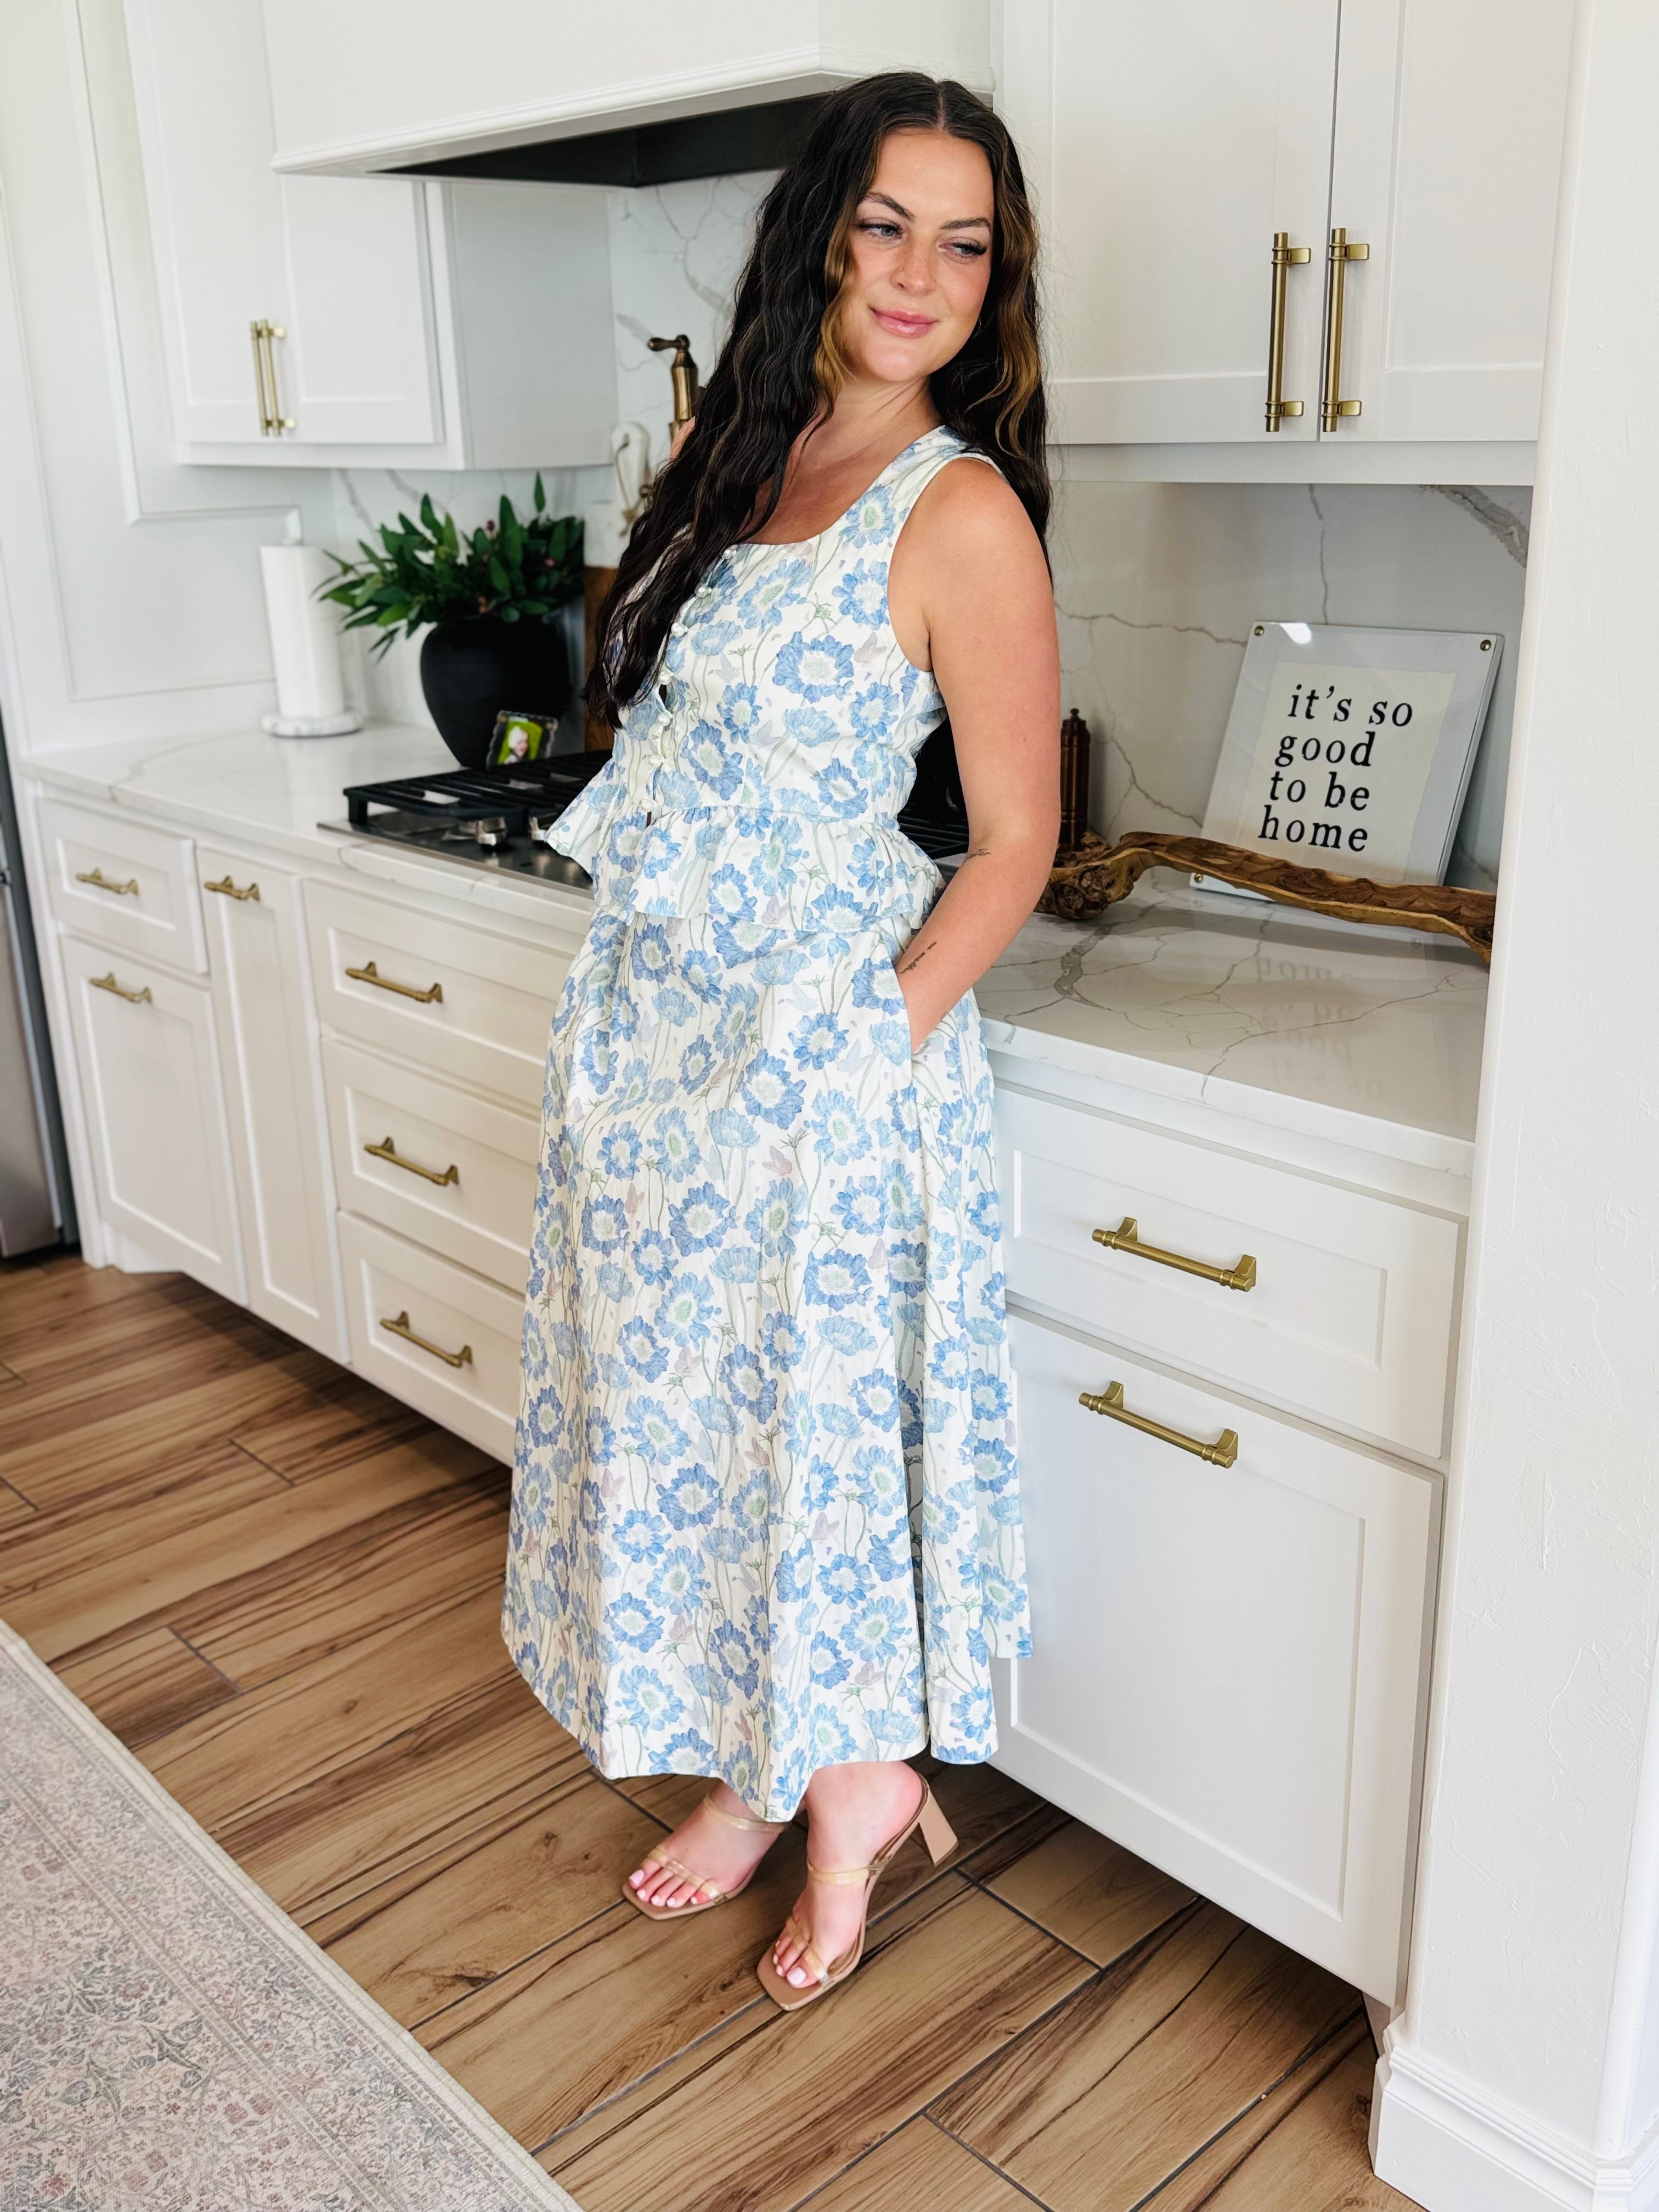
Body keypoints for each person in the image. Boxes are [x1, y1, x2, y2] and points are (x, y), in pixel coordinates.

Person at [504, 70, 1060, 2007]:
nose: (923, 274)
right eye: (889, 224)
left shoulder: (959, 508)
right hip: (664, 1052)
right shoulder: (743, 461)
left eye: (966, 243)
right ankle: (760, 1768)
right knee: (698, 1440)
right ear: (819, 234)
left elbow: (1016, 844)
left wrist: (864, 1045)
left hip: (824, 1061)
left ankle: (851, 1795)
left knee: (808, 1452)